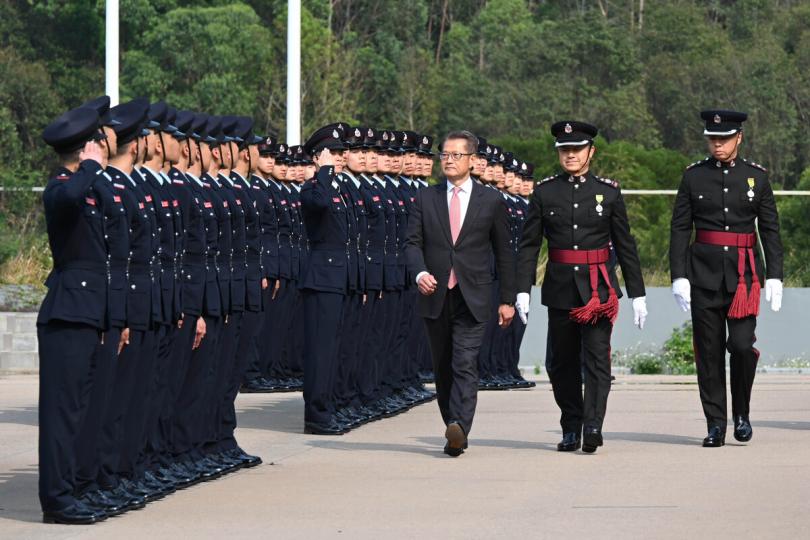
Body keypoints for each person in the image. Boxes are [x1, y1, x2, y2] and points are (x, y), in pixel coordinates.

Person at [515, 121, 647, 454]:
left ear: (591, 152)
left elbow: (625, 245)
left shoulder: (608, 191)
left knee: (597, 360)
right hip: (560, 288)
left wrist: (638, 293)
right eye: (564, 150)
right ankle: (571, 424)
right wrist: (521, 289)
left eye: (576, 149)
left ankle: (592, 426)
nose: (570, 155)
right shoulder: (545, 192)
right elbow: (529, 245)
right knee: (560, 363)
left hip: (597, 290)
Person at [669, 109, 783, 447]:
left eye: (724, 138)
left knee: (742, 346)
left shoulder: (757, 178)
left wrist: (775, 274)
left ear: (739, 138)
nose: (717, 144)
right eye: (712, 139)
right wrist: (679, 275)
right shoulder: (693, 177)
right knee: (709, 351)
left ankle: (742, 413)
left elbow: (771, 230)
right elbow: (679, 229)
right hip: (703, 274)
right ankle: (716, 424)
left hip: (744, 277)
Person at [405, 130, 515, 457]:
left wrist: (508, 299)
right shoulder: (426, 198)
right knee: (442, 366)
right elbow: (412, 243)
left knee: (465, 363)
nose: (449, 160)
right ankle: (452, 422)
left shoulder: (491, 200)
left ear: (472, 161)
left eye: (456, 155)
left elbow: (504, 252)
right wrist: (420, 272)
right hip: (436, 294)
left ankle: (459, 426)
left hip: (474, 295)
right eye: (445, 155)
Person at [38, 106, 112, 524]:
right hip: (67, 312)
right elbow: (67, 198)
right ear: (85, 147)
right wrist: (88, 167)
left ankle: (74, 490)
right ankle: (57, 500)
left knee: (80, 412)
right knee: (61, 414)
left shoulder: (85, 188)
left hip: (88, 311)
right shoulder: (62, 187)